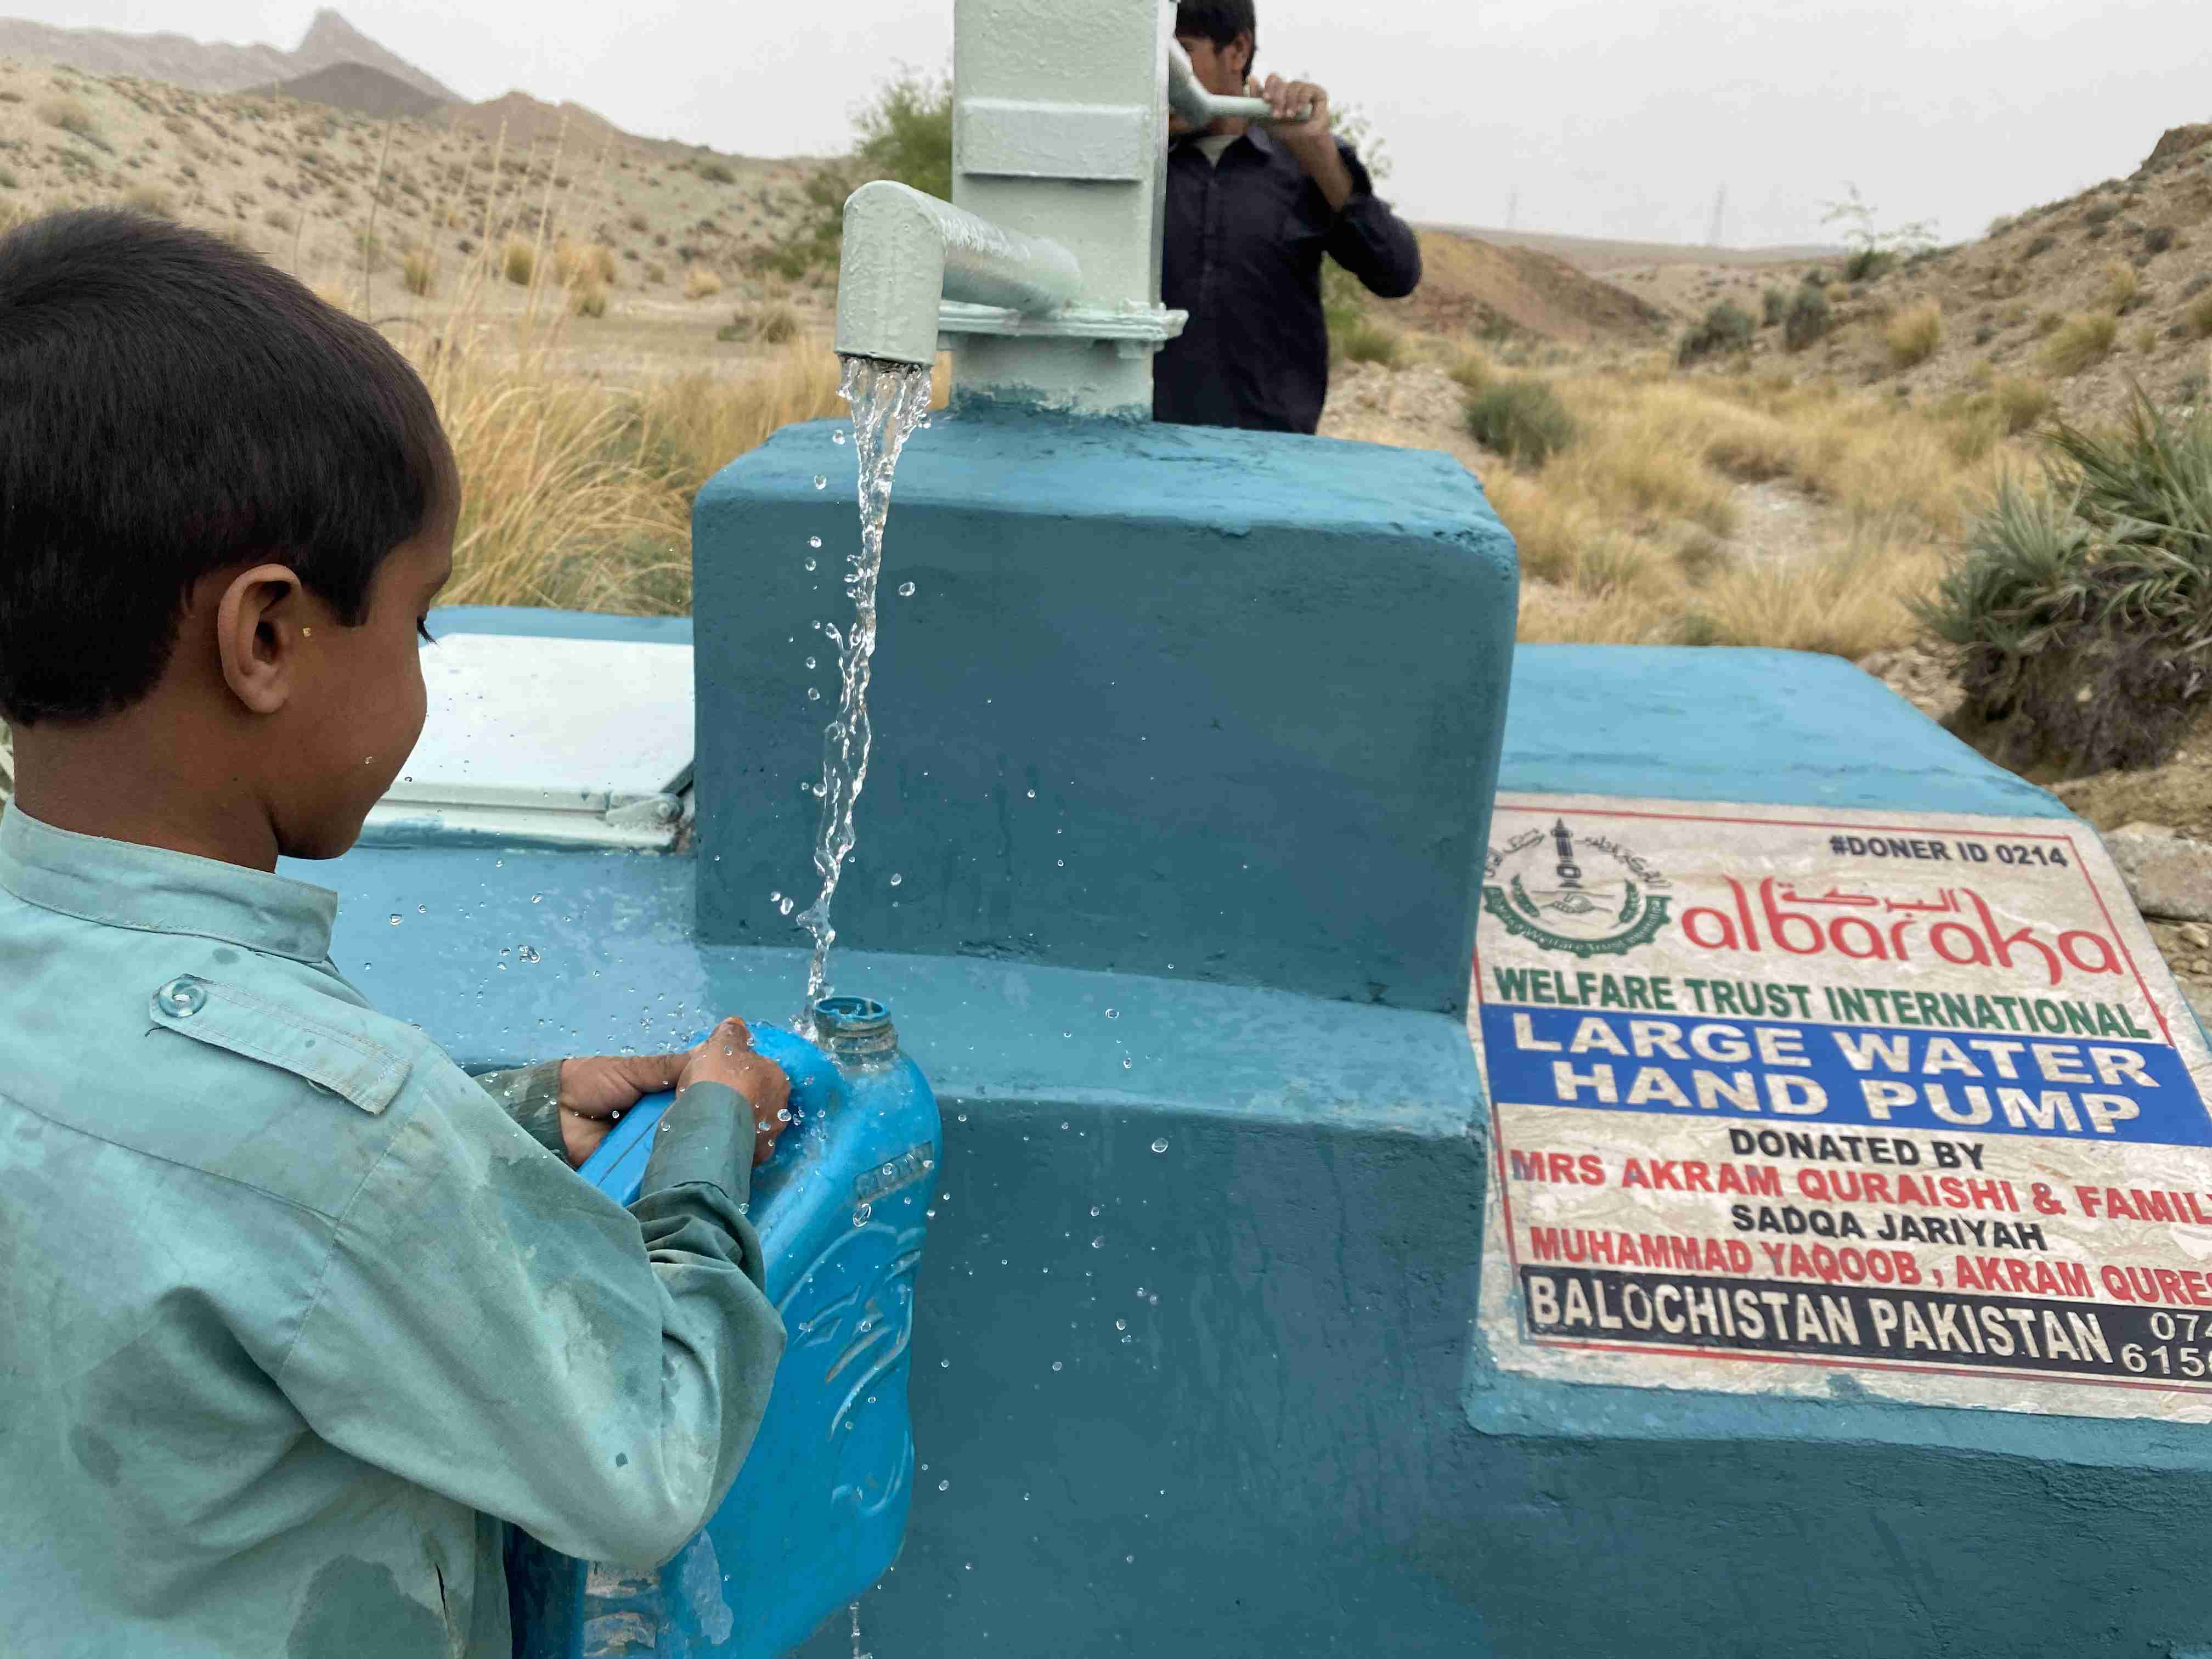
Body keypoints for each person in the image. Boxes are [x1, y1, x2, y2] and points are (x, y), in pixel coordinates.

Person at [0, 209, 794, 1657]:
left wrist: (508, 1121)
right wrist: (705, 1160)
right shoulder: (350, 1136)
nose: (426, 669)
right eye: (420, 622)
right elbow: (642, 1462)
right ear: (267, 638)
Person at [1155, 0, 1424, 435]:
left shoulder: (1303, 163)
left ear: (1238, 50)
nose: (1162, 77)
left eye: (1181, 54)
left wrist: (1318, 153)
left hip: (1273, 462)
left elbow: (1397, 274)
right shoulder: (1136, 166)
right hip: (1143, 450)